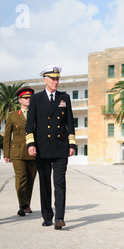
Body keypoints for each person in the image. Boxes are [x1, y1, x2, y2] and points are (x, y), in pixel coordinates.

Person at [25, 66, 76, 230]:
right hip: (42, 147)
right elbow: (29, 124)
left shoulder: (64, 98)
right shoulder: (36, 99)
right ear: (45, 80)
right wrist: (31, 144)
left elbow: (69, 122)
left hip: (61, 147)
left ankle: (59, 217)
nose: (56, 81)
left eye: (57, 79)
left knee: (60, 182)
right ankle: (47, 216)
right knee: (44, 182)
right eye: (53, 79)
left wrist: (72, 143)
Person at [3, 88, 38, 217]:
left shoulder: (36, 114)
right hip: (17, 153)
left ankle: (26, 204)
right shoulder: (13, 116)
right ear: (20, 100)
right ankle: (22, 205)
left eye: (30, 98)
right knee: (21, 178)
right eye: (25, 98)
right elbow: (7, 136)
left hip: (33, 152)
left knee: (31, 179)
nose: (28, 100)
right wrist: (6, 154)